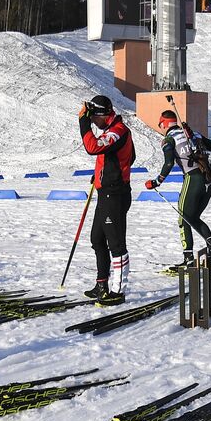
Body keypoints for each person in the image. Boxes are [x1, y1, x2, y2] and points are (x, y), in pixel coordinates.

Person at [146, 110, 211, 269]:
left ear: (164, 123)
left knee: (183, 218)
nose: (161, 127)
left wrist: (157, 181)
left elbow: (168, 163)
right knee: (193, 217)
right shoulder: (193, 134)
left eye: (161, 124)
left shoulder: (169, 139)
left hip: (192, 178)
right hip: (209, 180)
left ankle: (188, 259)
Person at [79, 95, 134, 306]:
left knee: (116, 244)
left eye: (93, 118)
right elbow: (115, 156)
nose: (92, 122)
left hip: (116, 194)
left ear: (103, 115)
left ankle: (118, 292)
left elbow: (93, 147)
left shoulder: (118, 131)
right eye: (90, 119)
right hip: (106, 193)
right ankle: (101, 284)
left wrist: (83, 122)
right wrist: (102, 172)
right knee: (97, 240)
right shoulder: (109, 131)